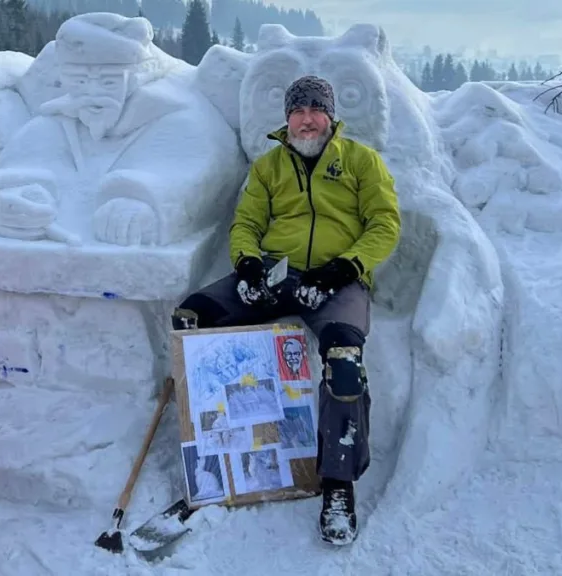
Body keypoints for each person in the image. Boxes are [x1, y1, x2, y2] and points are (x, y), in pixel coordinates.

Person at [172, 75, 401, 545]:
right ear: (287, 118)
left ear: (332, 117)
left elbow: (385, 223)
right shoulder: (269, 166)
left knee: (342, 365)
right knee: (191, 318)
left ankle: (338, 485)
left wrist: (344, 268)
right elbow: (247, 223)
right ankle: (213, 456)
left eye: (317, 109)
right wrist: (249, 266)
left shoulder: (361, 161)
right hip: (278, 274)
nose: (307, 118)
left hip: (337, 281)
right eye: (299, 110)